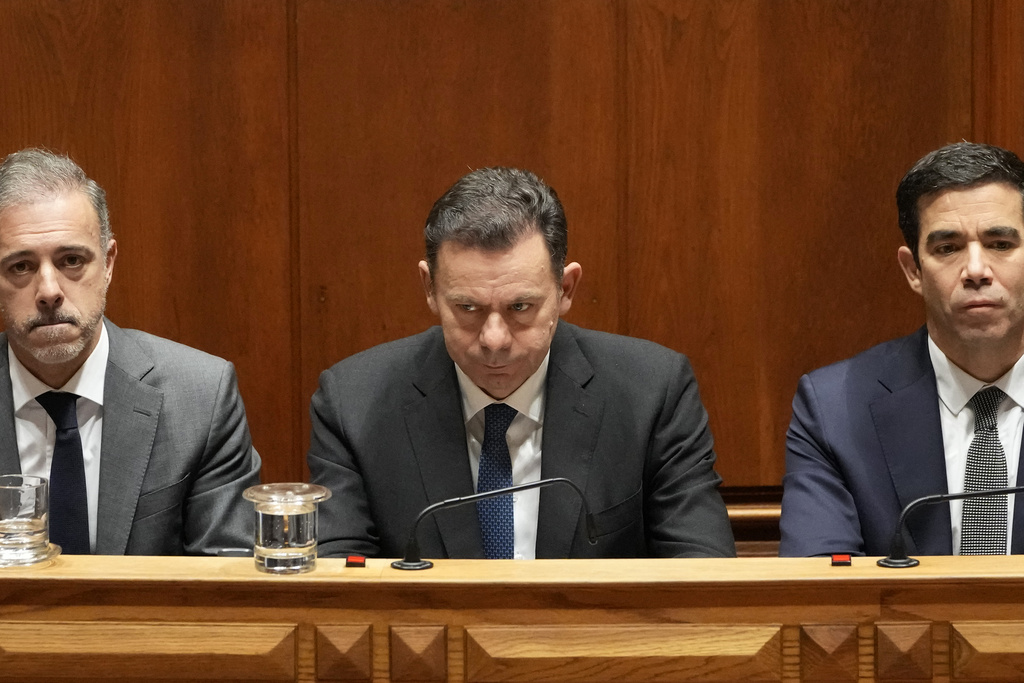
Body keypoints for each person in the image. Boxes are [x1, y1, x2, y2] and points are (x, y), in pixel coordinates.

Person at [309, 166, 735, 560]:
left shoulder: (652, 392)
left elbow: (703, 575)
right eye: (468, 308)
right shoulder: (353, 404)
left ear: (566, 288)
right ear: (429, 288)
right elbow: (341, 591)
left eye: (520, 307)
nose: (494, 339)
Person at [0, 148, 261, 555]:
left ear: (108, 263)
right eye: (21, 266)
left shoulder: (200, 398)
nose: (49, 291)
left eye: (71, 260)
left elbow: (224, 587)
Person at [781, 142, 1024, 557]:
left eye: (1000, 244)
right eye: (947, 248)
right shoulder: (834, 408)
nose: (977, 271)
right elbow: (821, 592)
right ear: (913, 271)